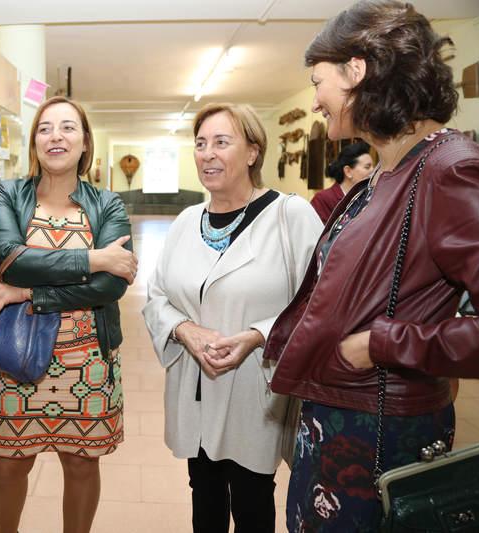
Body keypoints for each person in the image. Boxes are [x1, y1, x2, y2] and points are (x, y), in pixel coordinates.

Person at [263, 1, 479, 531]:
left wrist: (384, 343)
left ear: (356, 71)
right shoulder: (390, 170)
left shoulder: (448, 168)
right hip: (341, 419)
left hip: (380, 429)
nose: (316, 100)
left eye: (319, 82)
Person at [143, 103, 323, 533]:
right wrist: (185, 330)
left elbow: (320, 299)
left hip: (254, 389)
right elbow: (156, 296)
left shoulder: (289, 216)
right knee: (202, 493)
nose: (208, 154)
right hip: (194, 387)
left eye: (221, 142)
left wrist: (258, 335)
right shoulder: (187, 222)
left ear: (252, 152)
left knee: (252, 499)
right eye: (200, 144)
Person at [0, 96, 137, 533]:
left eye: (68, 127)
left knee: (82, 465)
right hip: (18, 359)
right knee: (9, 464)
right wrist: (93, 260)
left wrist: (30, 293)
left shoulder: (108, 205)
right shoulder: (5, 195)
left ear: (85, 142)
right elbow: (10, 259)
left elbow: (112, 284)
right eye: (45, 128)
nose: (56, 136)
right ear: (34, 141)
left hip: (87, 362)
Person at [310, 141, 373, 223]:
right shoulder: (322, 200)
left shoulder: (370, 197)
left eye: (373, 166)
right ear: (348, 172)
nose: (373, 171)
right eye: (367, 167)